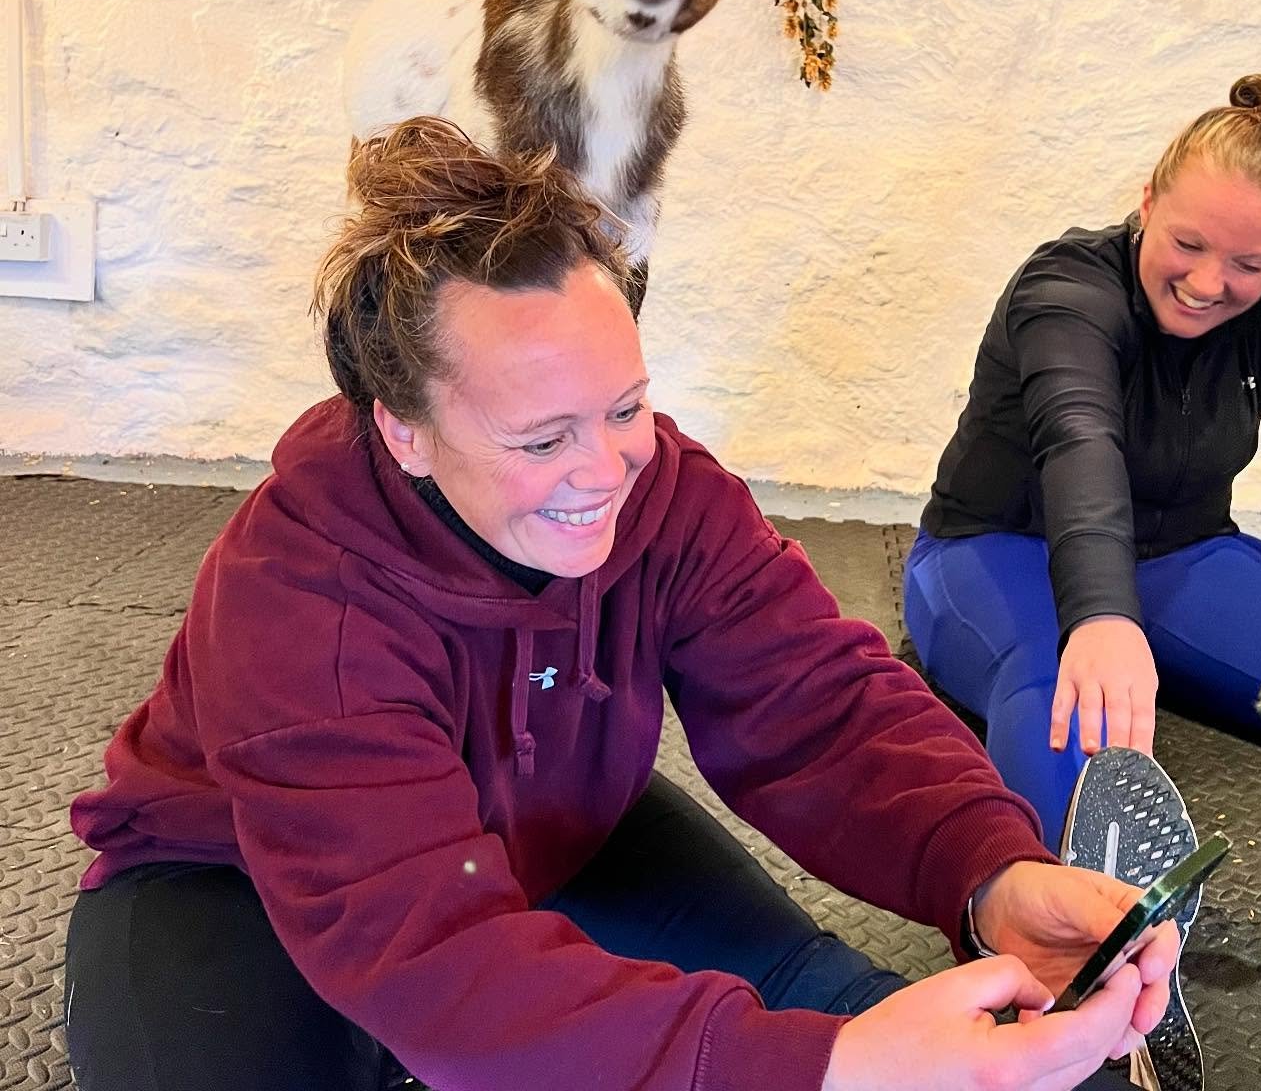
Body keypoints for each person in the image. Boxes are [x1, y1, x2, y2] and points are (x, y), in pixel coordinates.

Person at [65, 117, 1178, 1091]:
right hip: (237, 877)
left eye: (625, 408)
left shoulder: (670, 493)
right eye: (542, 438)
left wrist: (993, 872)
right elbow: (434, 961)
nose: (605, 471)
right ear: (404, 430)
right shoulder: (298, 596)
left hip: (553, 824)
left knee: (839, 1011)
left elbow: (822, 709)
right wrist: (832, 1070)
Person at [905, 72, 1261, 851]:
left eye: (1250, 265)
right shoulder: (1067, 290)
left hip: (1180, 559)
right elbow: (1079, 438)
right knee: (1066, 715)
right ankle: (1092, 917)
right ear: (1148, 201)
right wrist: (1102, 616)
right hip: (1001, 550)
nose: (1206, 282)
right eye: (1188, 244)